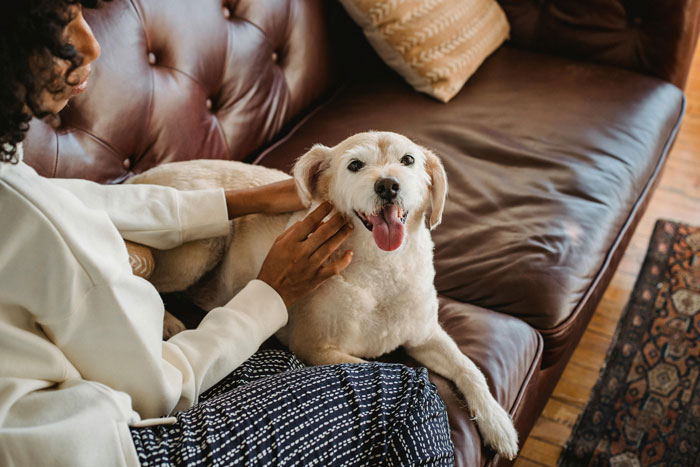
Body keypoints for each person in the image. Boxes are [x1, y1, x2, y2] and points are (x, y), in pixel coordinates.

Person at [0, 1, 456, 466]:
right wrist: (272, 291)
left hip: (53, 406)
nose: (91, 43)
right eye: (63, 22)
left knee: (293, 362)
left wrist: (240, 200)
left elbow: (76, 198)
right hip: (107, 448)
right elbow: (160, 388)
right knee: (407, 397)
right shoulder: (38, 224)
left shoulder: (16, 182)